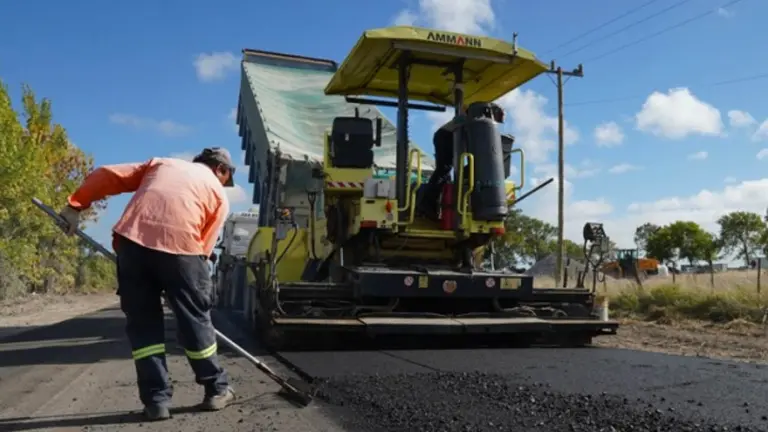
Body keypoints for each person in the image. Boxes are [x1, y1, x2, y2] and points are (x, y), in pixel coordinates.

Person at [59, 148, 237, 421]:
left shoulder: (161, 164)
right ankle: (216, 389)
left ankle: (156, 401)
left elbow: (108, 175)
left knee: (144, 327)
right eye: (227, 178)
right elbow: (203, 249)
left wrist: (75, 205)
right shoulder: (218, 194)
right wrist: (181, 287)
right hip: (183, 250)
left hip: (133, 245)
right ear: (221, 170)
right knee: (195, 320)